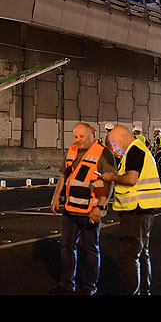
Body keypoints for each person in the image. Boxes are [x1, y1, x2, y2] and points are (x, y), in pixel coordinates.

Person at [49, 123, 116, 295]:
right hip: (70, 210)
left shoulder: (104, 153)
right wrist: (56, 196)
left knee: (91, 249)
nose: (77, 140)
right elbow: (64, 175)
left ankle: (89, 286)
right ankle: (66, 284)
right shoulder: (72, 150)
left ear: (91, 136)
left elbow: (109, 184)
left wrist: (99, 208)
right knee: (67, 247)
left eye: (81, 137)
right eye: (75, 136)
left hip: (90, 211)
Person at [100, 125, 161, 295]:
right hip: (144, 210)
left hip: (136, 211)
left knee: (129, 256)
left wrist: (111, 177)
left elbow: (131, 179)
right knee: (142, 254)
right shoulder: (139, 149)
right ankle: (144, 291)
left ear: (123, 137)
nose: (113, 147)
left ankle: (133, 292)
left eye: (113, 143)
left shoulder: (134, 150)